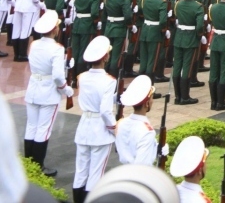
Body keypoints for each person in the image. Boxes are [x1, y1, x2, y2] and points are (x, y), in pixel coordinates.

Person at [25, 10, 72, 176]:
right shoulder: (57, 48)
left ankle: (28, 163)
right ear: (54, 30)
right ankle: (38, 166)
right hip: (48, 91)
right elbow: (58, 77)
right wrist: (66, 90)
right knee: (43, 129)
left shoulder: (34, 44)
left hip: (33, 87)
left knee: (31, 126)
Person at [72, 36, 118, 200]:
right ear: (105, 57)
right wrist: (114, 128)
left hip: (84, 125)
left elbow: (92, 97)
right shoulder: (109, 81)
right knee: (96, 174)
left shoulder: (82, 77)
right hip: (100, 129)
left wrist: (115, 98)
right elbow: (105, 111)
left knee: (81, 172)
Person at [115, 75, 157, 167]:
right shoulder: (147, 132)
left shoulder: (121, 123)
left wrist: (156, 147)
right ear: (146, 104)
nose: (152, 101)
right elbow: (142, 166)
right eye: (151, 98)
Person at [170, 135, 210, 203]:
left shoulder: (172, 192)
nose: (207, 166)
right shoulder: (200, 200)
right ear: (200, 171)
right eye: (205, 162)